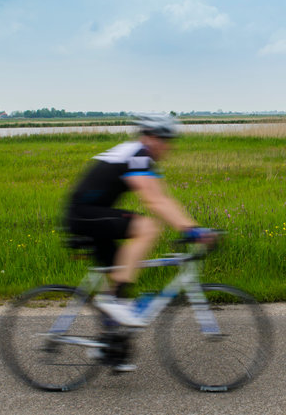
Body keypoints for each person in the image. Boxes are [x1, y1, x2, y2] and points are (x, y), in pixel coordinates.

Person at [65, 115, 213, 328]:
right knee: (148, 227)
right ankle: (115, 302)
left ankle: (111, 347)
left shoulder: (141, 157)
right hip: (84, 214)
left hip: (91, 214)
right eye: (166, 140)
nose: (168, 147)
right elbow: (153, 201)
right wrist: (193, 231)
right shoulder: (138, 154)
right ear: (152, 138)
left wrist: (194, 228)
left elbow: (164, 199)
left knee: (121, 270)